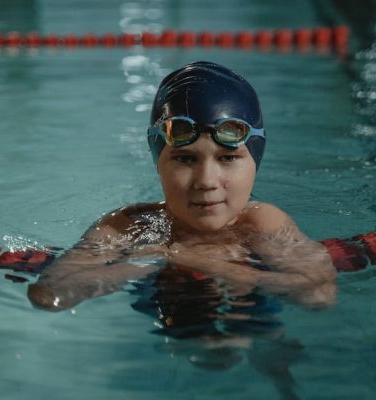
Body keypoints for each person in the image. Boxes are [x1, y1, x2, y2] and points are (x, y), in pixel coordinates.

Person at [27, 61, 336, 313]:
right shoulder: (128, 226)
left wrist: (191, 259)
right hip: (165, 314)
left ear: (256, 162)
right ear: (158, 163)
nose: (206, 181)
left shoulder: (262, 223)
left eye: (228, 158)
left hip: (250, 316)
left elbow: (319, 295)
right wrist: (149, 260)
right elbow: (49, 294)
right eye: (186, 159)